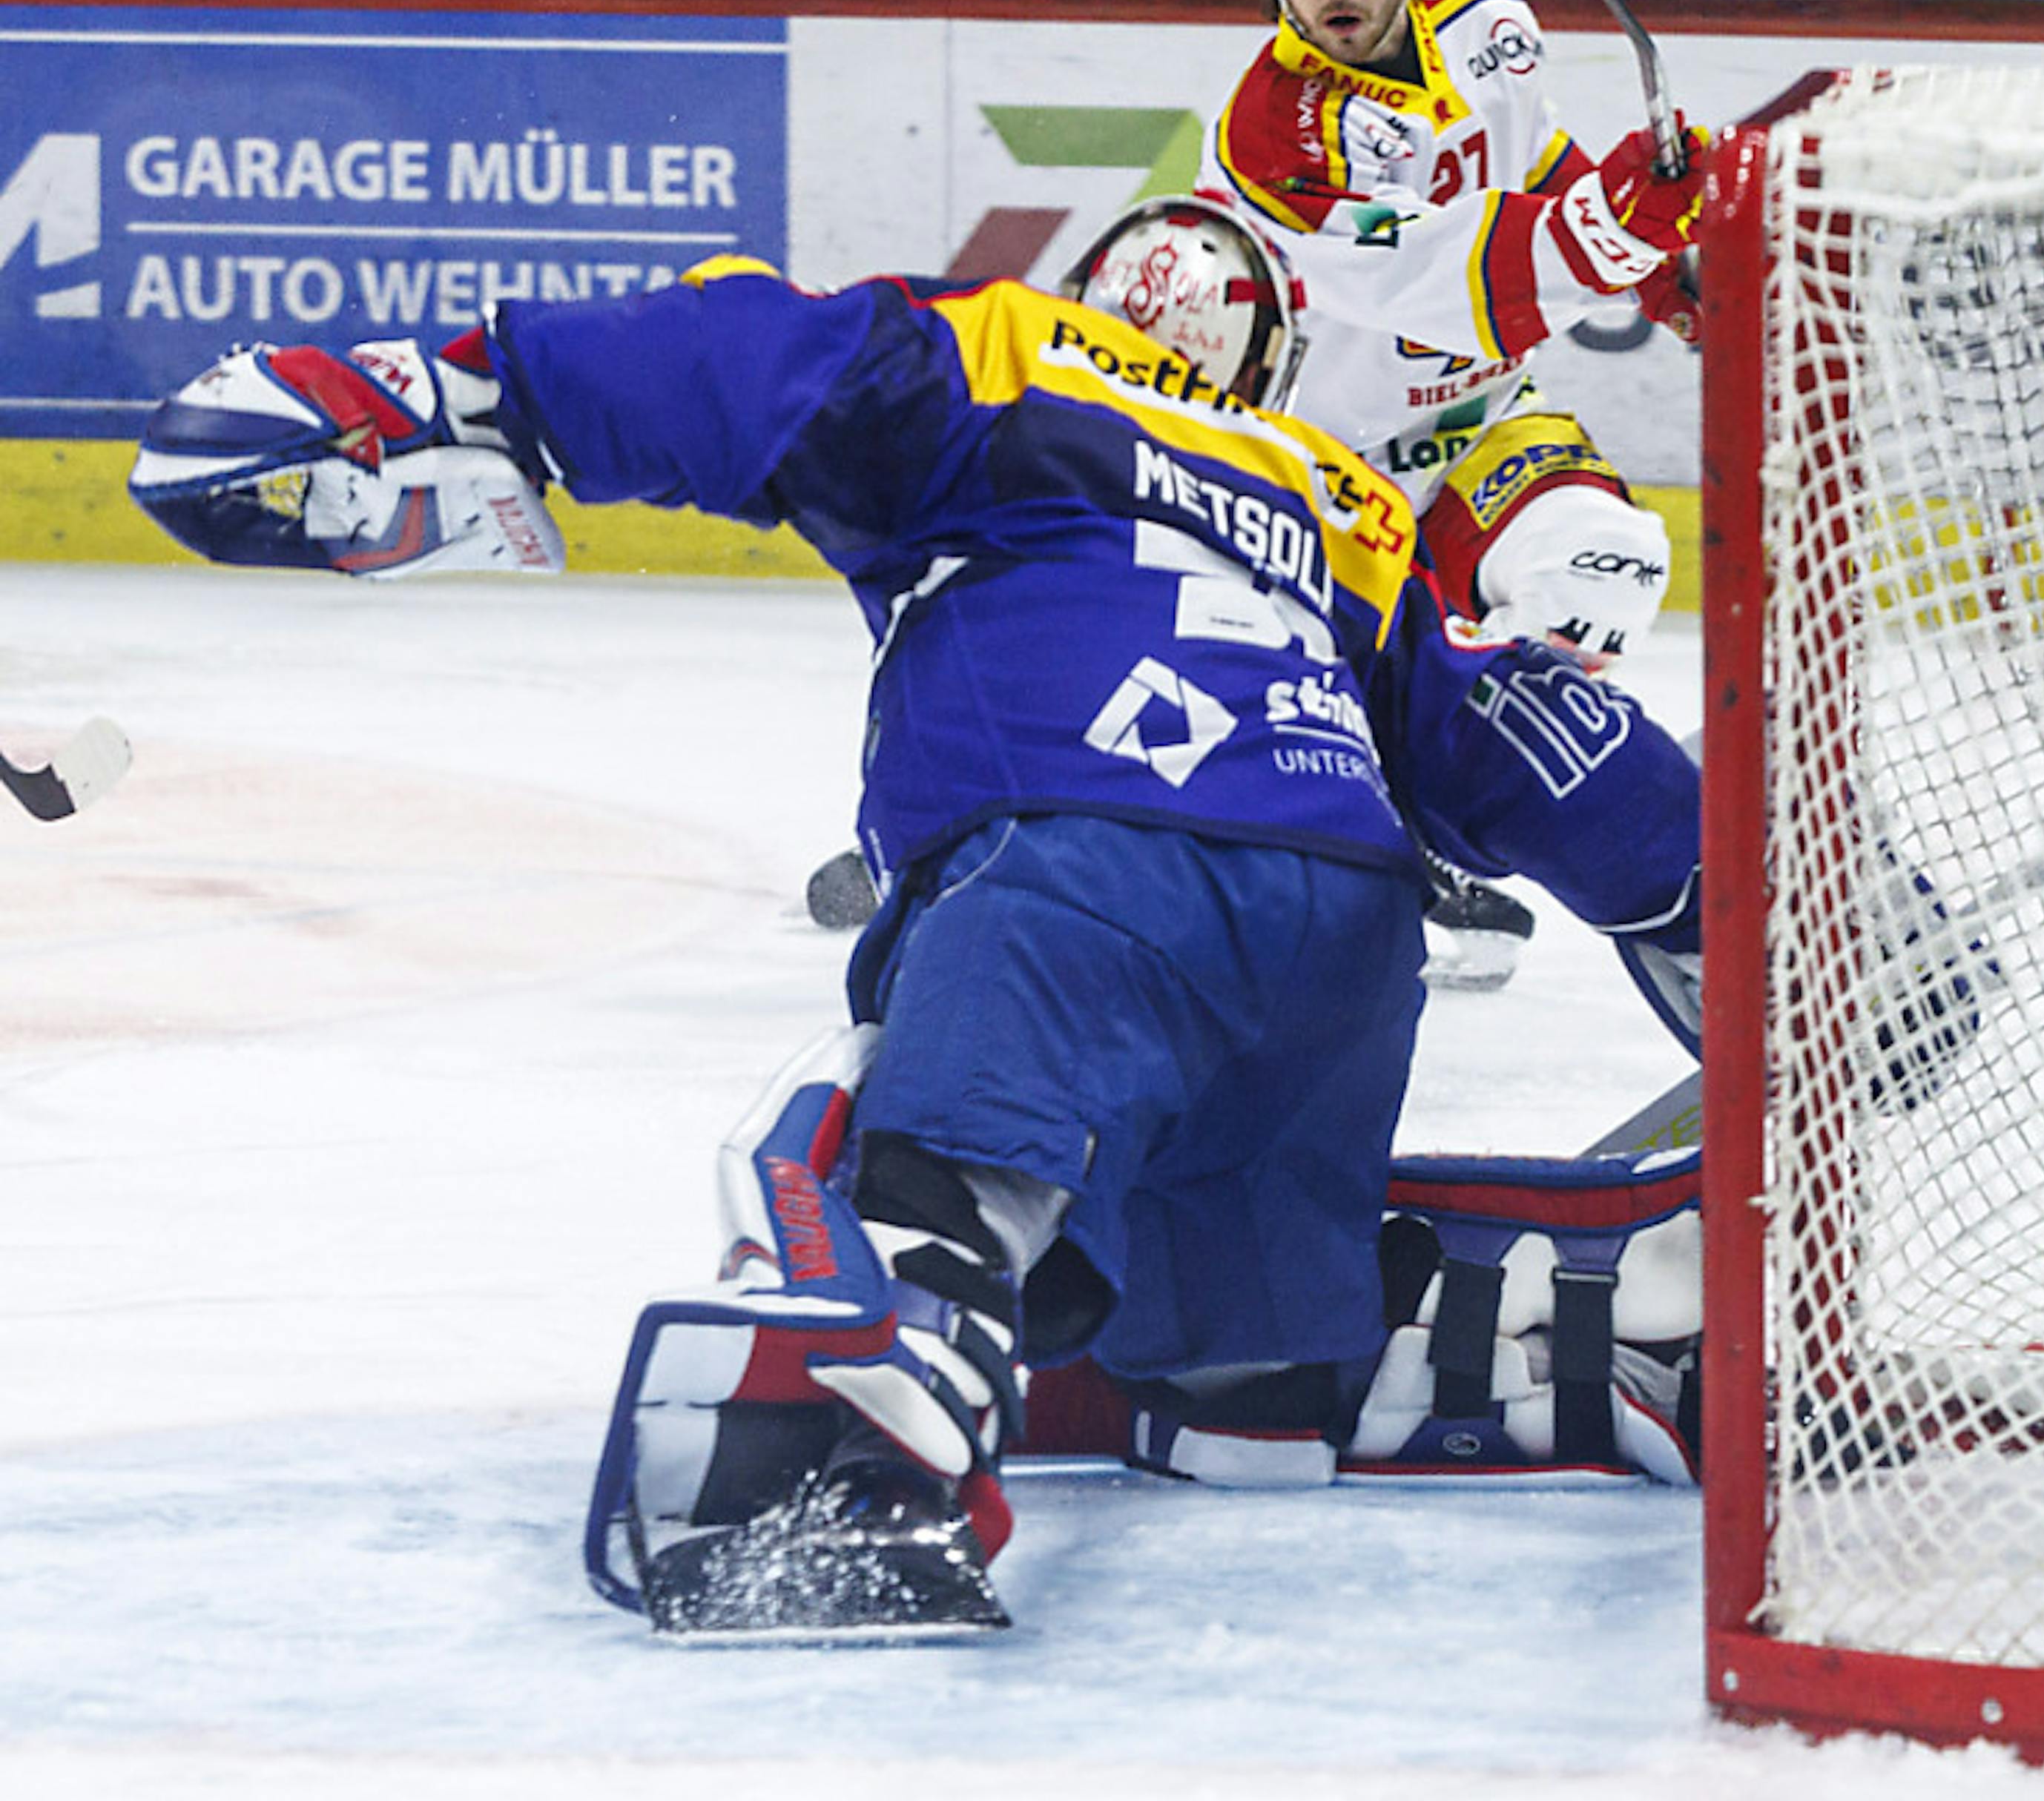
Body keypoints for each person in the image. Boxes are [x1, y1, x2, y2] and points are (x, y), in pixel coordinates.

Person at [125, 197, 1708, 1639]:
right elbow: (1523, 730)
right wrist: (1714, 902)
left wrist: (458, 392)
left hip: (1084, 860)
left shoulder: (1020, 351)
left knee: (924, 1143)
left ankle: (881, 1406)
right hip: (1344, 941)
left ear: (1098, 296)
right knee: (1229, 1368)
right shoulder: (1337, 496)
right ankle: (1469, 1344)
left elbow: (754, 362)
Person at [1202, 0, 1708, 989]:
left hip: (1480, 420)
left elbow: (1534, 167)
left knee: (1608, 569)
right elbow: (1429, 277)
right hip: (1325, 473)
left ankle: (1440, 821)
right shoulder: (1269, 133)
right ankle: (1380, 833)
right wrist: (1601, 239)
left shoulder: (1485, 28)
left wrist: (1660, 265)